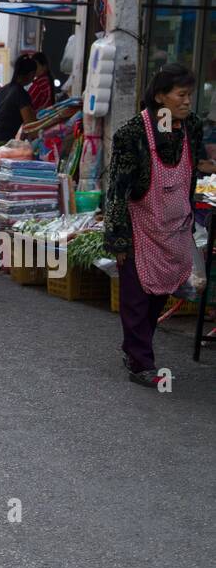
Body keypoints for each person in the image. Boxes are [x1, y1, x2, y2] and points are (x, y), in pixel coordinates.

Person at [105, 63, 216, 386]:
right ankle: (141, 363)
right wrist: (118, 240)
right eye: (181, 95)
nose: (187, 102)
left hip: (173, 227)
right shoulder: (132, 134)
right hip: (140, 224)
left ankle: (134, 348)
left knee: (157, 294)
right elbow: (117, 191)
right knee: (137, 297)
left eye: (189, 96)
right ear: (159, 97)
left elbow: (195, 166)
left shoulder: (189, 127)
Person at [0, 54, 38, 142]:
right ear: (31, 74)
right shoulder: (21, 94)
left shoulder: (4, 89)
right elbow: (30, 125)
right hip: (2, 140)